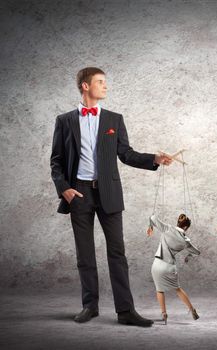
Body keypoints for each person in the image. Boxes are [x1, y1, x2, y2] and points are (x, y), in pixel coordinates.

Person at [50, 67, 173, 327]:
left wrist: (155, 159)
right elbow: (56, 161)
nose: (105, 86)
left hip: (109, 192)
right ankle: (89, 306)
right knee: (85, 254)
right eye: (100, 82)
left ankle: (126, 311)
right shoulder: (64, 120)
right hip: (79, 193)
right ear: (85, 86)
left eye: (105, 82)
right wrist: (64, 189)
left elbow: (126, 154)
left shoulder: (114, 119)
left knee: (117, 253)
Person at [147, 214, 200, 324]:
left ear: (178, 222)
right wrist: (188, 257)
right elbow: (197, 252)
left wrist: (150, 226)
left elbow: (152, 217)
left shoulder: (167, 228)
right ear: (185, 227)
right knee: (178, 289)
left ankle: (164, 314)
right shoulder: (185, 241)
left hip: (158, 264)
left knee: (159, 290)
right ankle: (192, 310)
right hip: (170, 266)